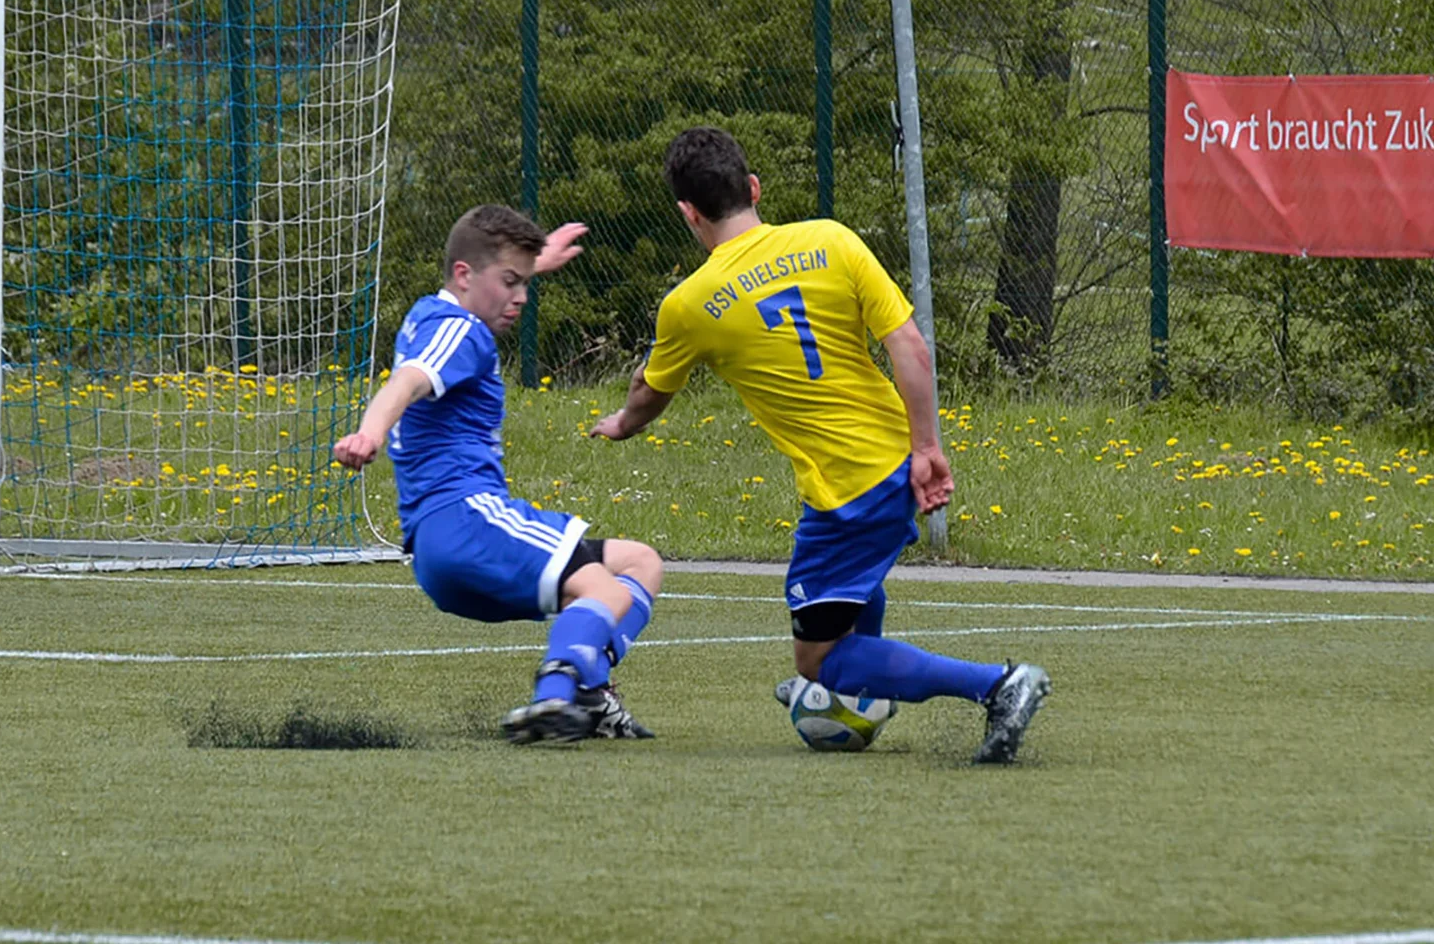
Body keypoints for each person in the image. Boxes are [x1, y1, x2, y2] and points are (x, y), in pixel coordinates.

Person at [592, 127, 1049, 763]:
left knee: (817, 663)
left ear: (687, 213)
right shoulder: (832, 239)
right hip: (892, 457)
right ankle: (857, 691)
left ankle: (997, 686)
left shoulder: (689, 304)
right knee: (845, 608)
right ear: (753, 188)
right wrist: (927, 448)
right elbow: (910, 349)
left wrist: (621, 423)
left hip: (847, 490)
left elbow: (651, 396)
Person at [333, 205, 663, 744]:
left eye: (525, 283)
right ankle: (557, 694)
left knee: (640, 564)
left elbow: (420, 362)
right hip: (467, 523)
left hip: (441, 550)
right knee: (605, 590)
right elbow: (407, 383)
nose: (522, 298)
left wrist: (533, 262)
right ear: (464, 275)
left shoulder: (428, 313)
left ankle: (591, 695)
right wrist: (369, 433)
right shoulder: (461, 330)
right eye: (511, 283)